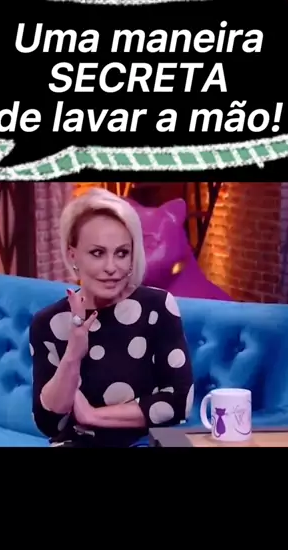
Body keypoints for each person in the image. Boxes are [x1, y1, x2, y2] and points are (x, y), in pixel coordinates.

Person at [29, 188, 195, 447]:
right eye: (97, 253)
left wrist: (92, 416)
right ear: (73, 255)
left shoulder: (157, 307)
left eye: (121, 253)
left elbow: (178, 401)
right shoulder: (49, 323)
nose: (111, 268)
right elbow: (49, 423)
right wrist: (73, 355)